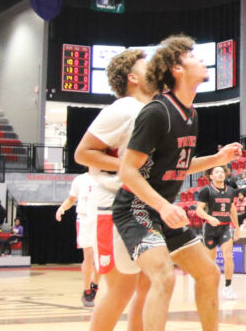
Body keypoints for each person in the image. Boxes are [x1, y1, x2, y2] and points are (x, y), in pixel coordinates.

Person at [112, 35, 243, 331]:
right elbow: (128, 171)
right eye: (193, 56)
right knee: (163, 275)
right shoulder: (157, 112)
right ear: (176, 68)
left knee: (209, 274)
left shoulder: (191, 114)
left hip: (161, 211)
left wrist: (217, 158)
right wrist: (161, 205)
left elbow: (179, 165)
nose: (200, 60)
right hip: (136, 210)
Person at [73, 48, 154, 330]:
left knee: (147, 289)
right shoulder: (123, 108)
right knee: (121, 291)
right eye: (147, 65)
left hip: (143, 207)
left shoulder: (150, 111)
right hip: (114, 206)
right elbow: (82, 153)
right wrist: (126, 166)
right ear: (132, 77)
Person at [195, 166, 240, 300]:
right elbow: (199, 210)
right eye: (217, 172)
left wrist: (237, 227)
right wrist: (209, 218)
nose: (220, 174)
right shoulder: (206, 190)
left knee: (228, 256)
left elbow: (232, 210)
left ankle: (228, 287)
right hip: (210, 228)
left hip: (225, 227)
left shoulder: (231, 191)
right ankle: (208, 285)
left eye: (222, 171)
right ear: (211, 176)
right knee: (211, 260)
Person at [56, 172, 100, 306]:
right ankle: (87, 291)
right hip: (85, 218)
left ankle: (95, 284)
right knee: (89, 255)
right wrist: (62, 208)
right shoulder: (80, 179)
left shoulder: (108, 177)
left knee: (102, 258)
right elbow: (71, 199)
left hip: (103, 218)